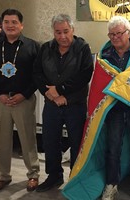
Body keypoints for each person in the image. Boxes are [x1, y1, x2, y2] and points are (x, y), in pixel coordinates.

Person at [62, 16, 130, 200]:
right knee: (112, 148)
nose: (115, 37)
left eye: (119, 33)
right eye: (111, 34)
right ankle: (111, 184)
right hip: (113, 110)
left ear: (128, 33)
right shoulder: (104, 56)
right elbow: (98, 86)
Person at [33, 14, 94, 192]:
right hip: (51, 103)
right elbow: (37, 74)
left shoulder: (82, 48)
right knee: (50, 141)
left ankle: (75, 178)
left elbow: (84, 75)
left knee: (76, 143)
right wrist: (49, 93)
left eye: (66, 31)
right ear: (53, 32)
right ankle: (54, 176)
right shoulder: (45, 48)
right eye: (58, 32)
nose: (62, 36)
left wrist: (60, 91)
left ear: (72, 30)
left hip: (75, 104)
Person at [0, 8, 40, 192]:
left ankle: (33, 174)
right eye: (6, 22)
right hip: (1, 101)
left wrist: (24, 94)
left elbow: (38, 75)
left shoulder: (33, 46)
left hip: (24, 99)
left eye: (14, 22)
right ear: (1, 25)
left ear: (22, 25)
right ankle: (3, 176)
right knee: (1, 139)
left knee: (28, 138)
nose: (10, 25)